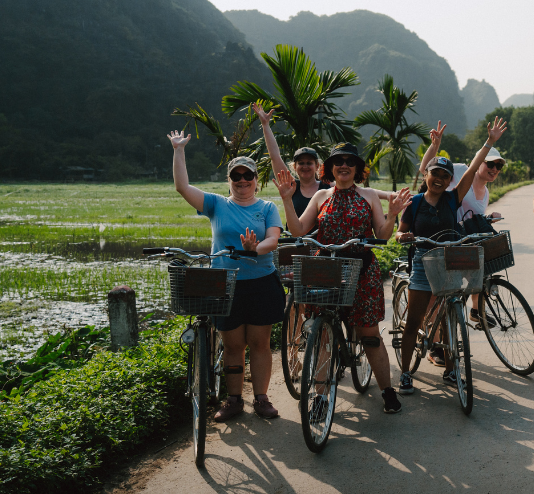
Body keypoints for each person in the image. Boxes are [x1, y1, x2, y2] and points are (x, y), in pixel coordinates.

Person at [274, 142, 412, 413]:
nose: (344, 165)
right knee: (323, 334)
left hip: (361, 271)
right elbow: (299, 230)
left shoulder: (370, 195)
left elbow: (380, 237)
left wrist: (393, 214)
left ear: (358, 168)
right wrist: (287, 199)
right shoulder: (321, 196)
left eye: (350, 161)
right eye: (338, 161)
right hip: (326, 272)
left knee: (369, 335)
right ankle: (321, 398)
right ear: (330, 168)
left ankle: (387, 390)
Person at [167, 131, 285, 422]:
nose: (242, 181)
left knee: (259, 343)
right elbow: (182, 187)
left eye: (248, 176)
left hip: (261, 282)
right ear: (229, 181)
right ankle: (233, 400)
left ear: (257, 179)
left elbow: (274, 240)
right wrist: (178, 150)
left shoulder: (267, 208)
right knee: (232, 345)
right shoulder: (216, 205)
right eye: (236, 176)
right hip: (225, 284)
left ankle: (261, 398)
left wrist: (256, 248)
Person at [395, 117, 508, 394]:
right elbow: (400, 231)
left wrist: (489, 143)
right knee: (414, 321)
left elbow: (471, 169)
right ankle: (406, 372)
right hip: (423, 262)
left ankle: (450, 370)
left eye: (445, 176)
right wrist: (403, 236)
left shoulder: (453, 198)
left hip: (450, 262)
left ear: (449, 180)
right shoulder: (415, 203)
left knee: (450, 316)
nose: (440, 179)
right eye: (435, 174)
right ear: (426, 176)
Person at [253, 103, 394, 235]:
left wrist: (389, 195)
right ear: (294, 167)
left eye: (309, 163)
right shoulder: (291, 187)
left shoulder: (326, 187)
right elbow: (275, 157)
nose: (305, 166)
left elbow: (357, 189)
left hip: (323, 245)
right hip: (301, 247)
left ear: (318, 166)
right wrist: (266, 125)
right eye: (301, 163)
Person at [417, 120, 506, 325]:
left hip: (460, 239)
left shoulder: (485, 194)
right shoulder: (460, 171)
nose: (494, 168)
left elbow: (470, 217)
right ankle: (436, 337)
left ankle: (476, 310)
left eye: (498, 166)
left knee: (482, 267)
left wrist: (488, 217)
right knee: (440, 292)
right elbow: (426, 169)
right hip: (440, 234)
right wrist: (435, 146)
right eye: (490, 163)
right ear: (481, 161)